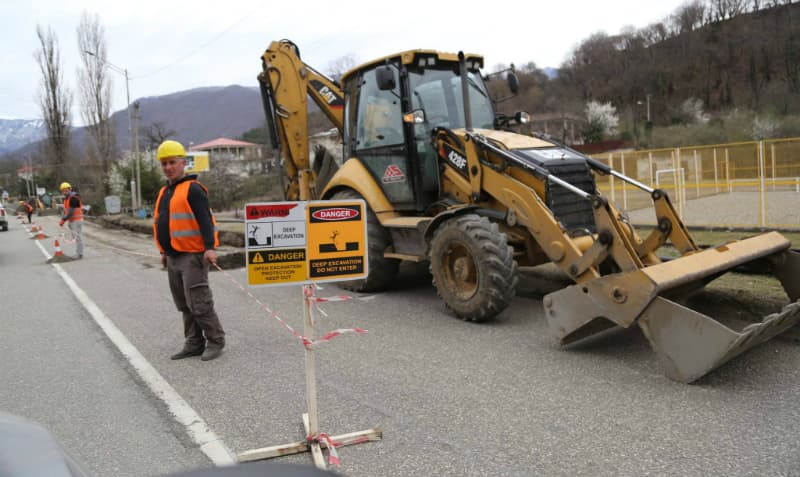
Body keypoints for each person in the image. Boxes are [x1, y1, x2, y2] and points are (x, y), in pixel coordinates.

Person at [153, 140, 225, 361]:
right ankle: (194, 343)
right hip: (173, 256)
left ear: (183, 163)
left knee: (199, 302)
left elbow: (206, 221)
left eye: (172, 162)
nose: (168, 167)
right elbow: (163, 222)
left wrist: (210, 248)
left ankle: (216, 340)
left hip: (192, 256)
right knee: (184, 304)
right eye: (164, 163)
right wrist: (163, 252)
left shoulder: (193, 189)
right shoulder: (165, 191)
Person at [58, 182, 84, 259]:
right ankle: (79, 253)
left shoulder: (73, 198)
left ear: (70, 189)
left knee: (77, 237)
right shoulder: (67, 199)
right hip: (72, 220)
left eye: (66, 190)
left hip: (77, 220)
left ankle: (79, 254)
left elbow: (71, 211)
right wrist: (64, 218)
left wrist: (63, 220)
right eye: (63, 191)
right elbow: (66, 211)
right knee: (76, 237)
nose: (64, 192)